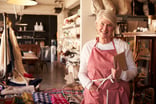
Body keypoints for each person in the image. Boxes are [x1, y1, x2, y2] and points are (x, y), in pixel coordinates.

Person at [78, 10, 137, 104]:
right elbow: (81, 73)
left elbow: (133, 71)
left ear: (113, 28)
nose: (104, 29)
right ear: (97, 25)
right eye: (102, 24)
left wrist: (121, 74)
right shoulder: (88, 47)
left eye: (109, 25)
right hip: (95, 95)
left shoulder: (122, 46)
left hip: (118, 96)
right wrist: (89, 86)